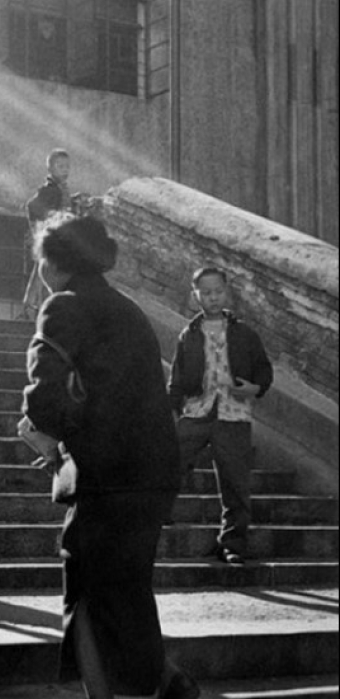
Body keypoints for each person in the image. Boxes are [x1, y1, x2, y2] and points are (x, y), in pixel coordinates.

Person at [21, 214, 198, 699]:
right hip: (153, 470)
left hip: (107, 474)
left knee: (88, 592)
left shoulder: (63, 305)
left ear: (52, 264)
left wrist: (47, 436)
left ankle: (123, 691)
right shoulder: (126, 307)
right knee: (129, 589)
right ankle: (164, 684)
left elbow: (42, 398)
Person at [168, 265, 273, 566]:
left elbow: (264, 370)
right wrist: (172, 411)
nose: (213, 298)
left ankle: (233, 544)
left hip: (234, 414)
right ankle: (156, 517)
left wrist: (254, 387)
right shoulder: (188, 334)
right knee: (168, 459)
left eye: (218, 292)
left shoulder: (244, 333)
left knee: (235, 482)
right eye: (206, 293)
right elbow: (175, 380)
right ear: (195, 296)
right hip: (197, 412)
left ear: (226, 293)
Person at [21, 149, 72, 319]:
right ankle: (30, 307)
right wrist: (39, 229)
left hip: (55, 238)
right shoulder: (50, 190)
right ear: (50, 169)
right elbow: (31, 206)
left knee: (42, 272)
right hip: (49, 238)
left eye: (67, 167)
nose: (64, 170)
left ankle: (32, 307)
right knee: (42, 272)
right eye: (60, 167)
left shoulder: (60, 189)